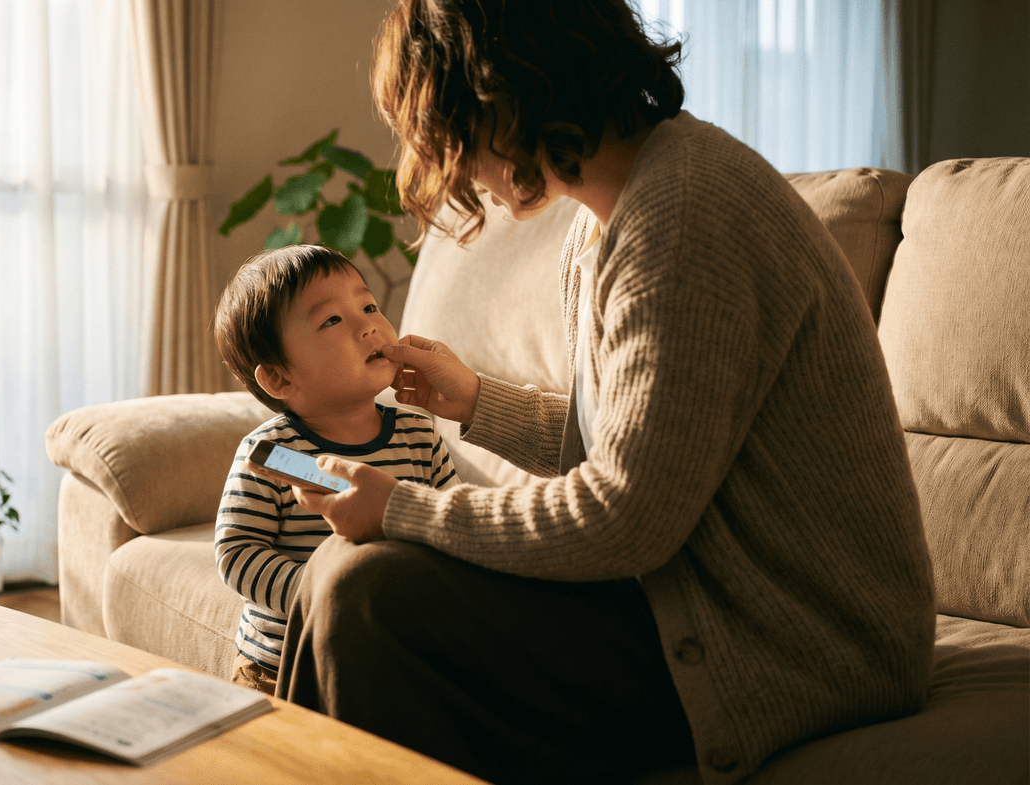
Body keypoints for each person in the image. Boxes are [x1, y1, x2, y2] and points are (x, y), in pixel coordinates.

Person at [273, 1, 937, 784]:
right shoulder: (606, 219)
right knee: (339, 572)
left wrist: (402, 508)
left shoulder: (684, 215)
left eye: (447, 134)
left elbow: (625, 517)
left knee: (367, 595)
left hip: (802, 637)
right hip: (689, 590)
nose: (454, 171)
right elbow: (630, 446)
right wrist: (478, 401)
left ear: (501, 100)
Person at [211, 244, 461, 695]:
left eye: (368, 305)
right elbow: (237, 552)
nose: (368, 325)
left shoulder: (418, 434)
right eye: (332, 320)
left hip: (395, 651)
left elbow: (454, 523)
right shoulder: (274, 452)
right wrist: (318, 593)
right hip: (283, 665)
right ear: (281, 379)